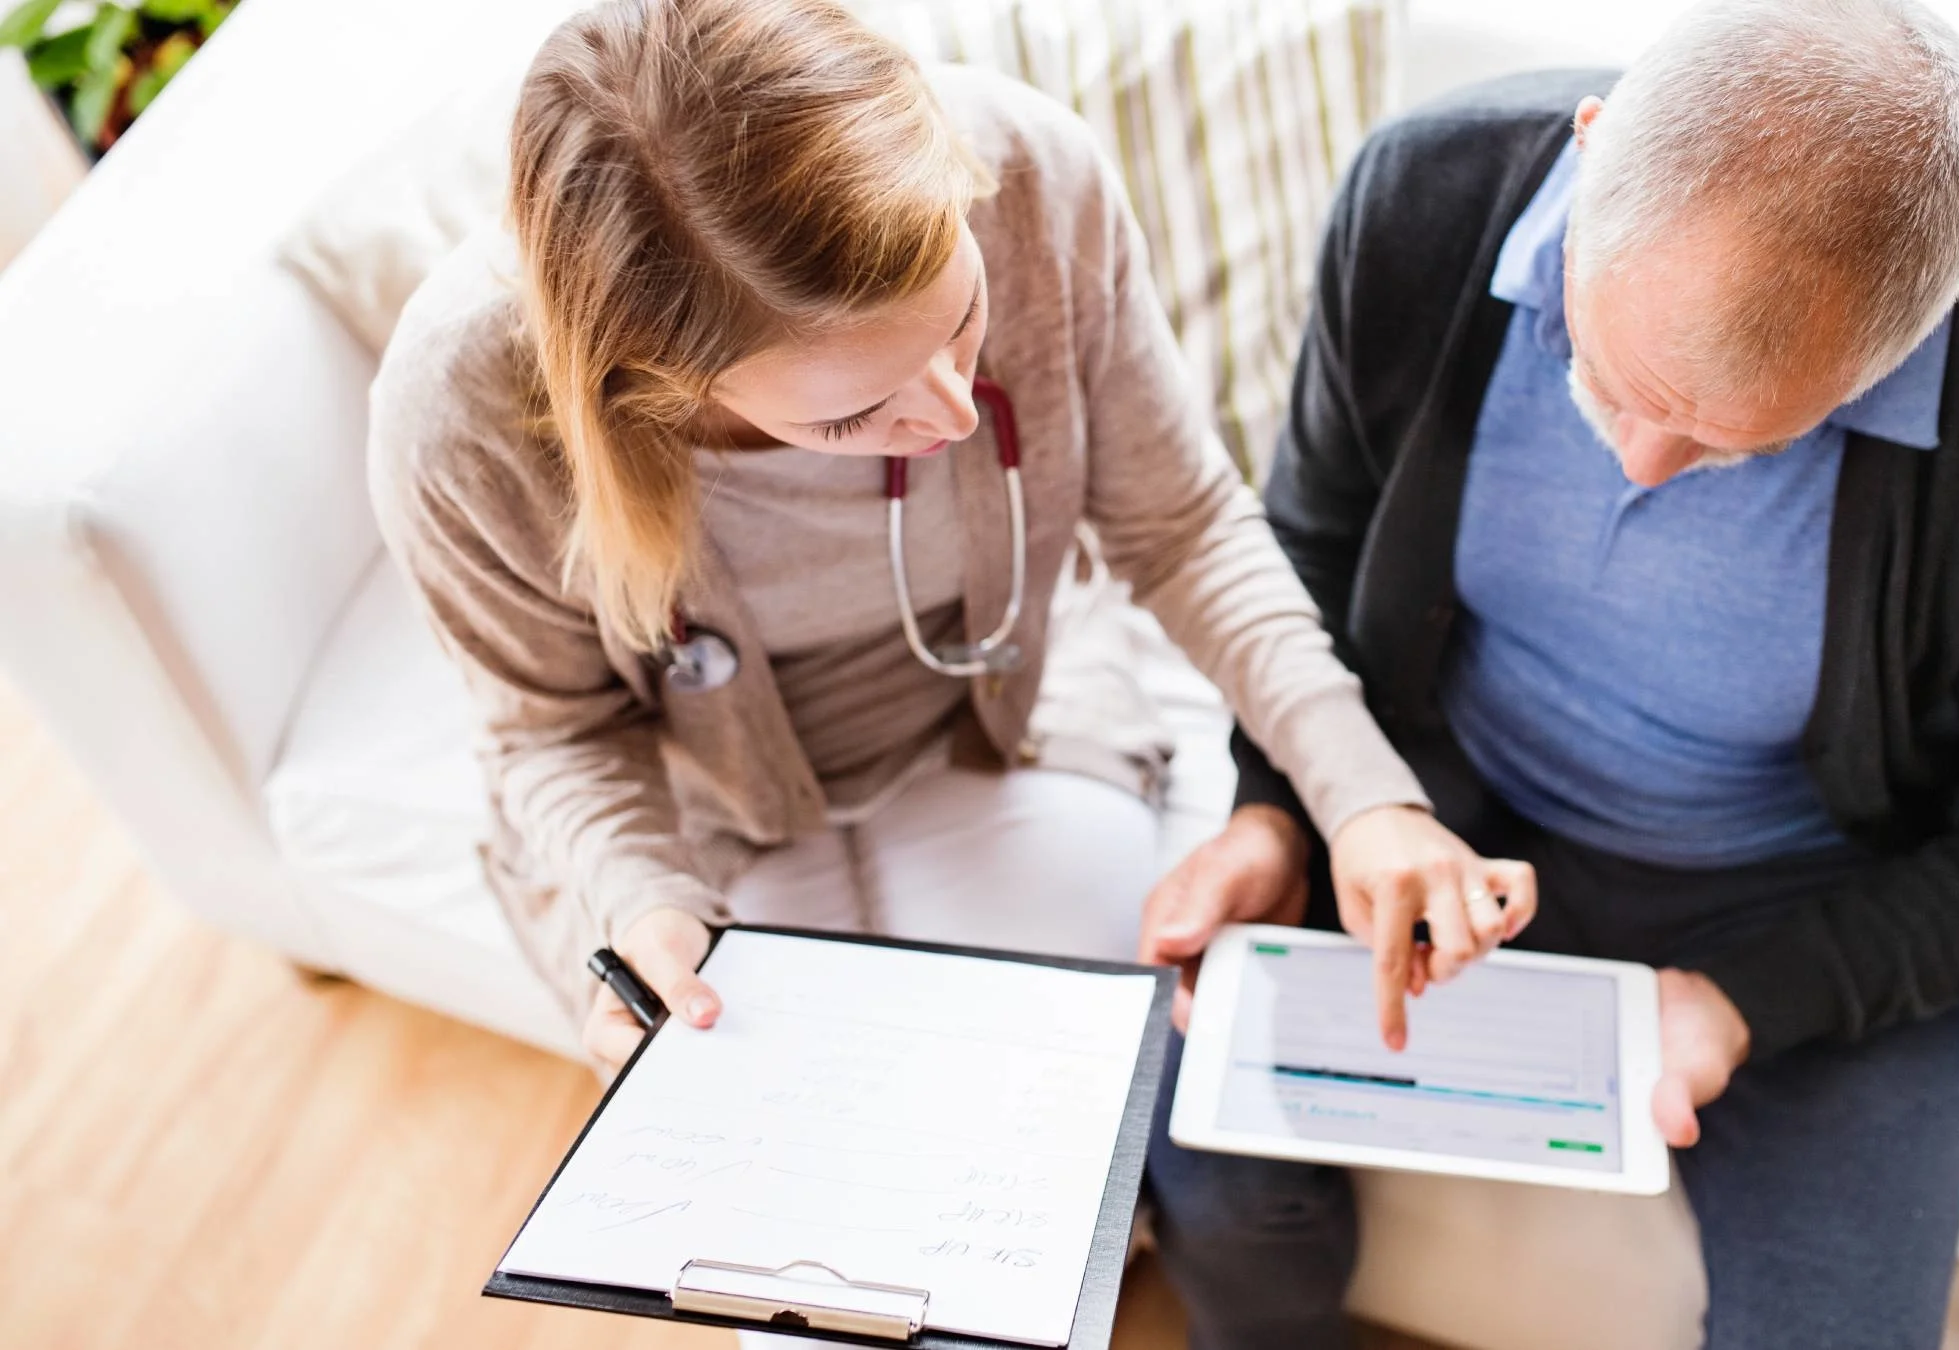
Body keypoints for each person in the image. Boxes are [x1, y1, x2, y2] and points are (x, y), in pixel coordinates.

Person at [1139, 1, 1959, 1346]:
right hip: (1437, 808)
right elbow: (1316, 550)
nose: (1638, 462)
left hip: (1814, 891)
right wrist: (1284, 807)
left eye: (1733, 441)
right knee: (1208, 1176)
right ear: (1593, 149)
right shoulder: (1417, 200)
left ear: (1930, 314)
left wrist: (1749, 1000)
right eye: (1609, 374)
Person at [366, 0, 1539, 1115]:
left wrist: (1365, 796)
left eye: (961, 320)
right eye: (848, 417)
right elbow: (553, 730)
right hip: (698, 806)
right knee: (805, 1227)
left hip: (1007, 720)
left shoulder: (1035, 179)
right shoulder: (460, 406)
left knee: (1065, 1104)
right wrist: (646, 903)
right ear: (659, 389)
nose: (954, 419)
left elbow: (1180, 528)